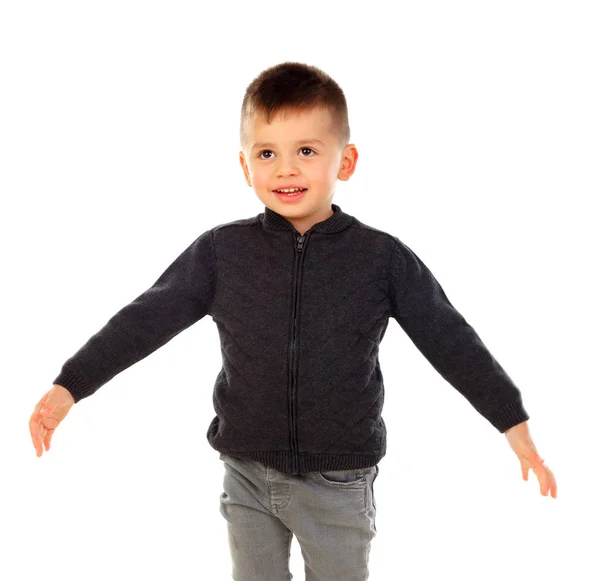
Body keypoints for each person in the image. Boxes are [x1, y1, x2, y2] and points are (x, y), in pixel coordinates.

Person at [29, 61, 557, 581]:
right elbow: (141, 322)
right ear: (245, 167)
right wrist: (70, 385)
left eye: (306, 151)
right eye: (267, 153)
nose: (285, 169)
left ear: (345, 161)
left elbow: (451, 340)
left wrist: (511, 420)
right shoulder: (221, 252)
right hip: (247, 473)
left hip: (339, 479)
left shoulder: (381, 258)